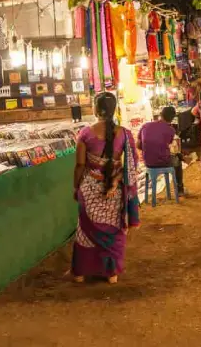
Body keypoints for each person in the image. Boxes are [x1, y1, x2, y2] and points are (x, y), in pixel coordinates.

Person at [72, 92, 140, 284]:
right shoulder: (125, 134)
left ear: (96, 109)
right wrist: (117, 180)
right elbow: (132, 164)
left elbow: (79, 166)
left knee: (85, 231)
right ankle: (111, 273)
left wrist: (75, 187)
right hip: (114, 191)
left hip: (89, 190)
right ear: (114, 109)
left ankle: (80, 273)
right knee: (113, 231)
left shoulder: (85, 134)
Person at [138, 106, 186, 195]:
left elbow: (139, 145)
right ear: (173, 118)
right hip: (163, 162)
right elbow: (169, 145)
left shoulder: (145, 125)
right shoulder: (170, 130)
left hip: (148, 162)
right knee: (178, 161)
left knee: (175, 156)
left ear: (161, 115)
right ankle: (180, 189)